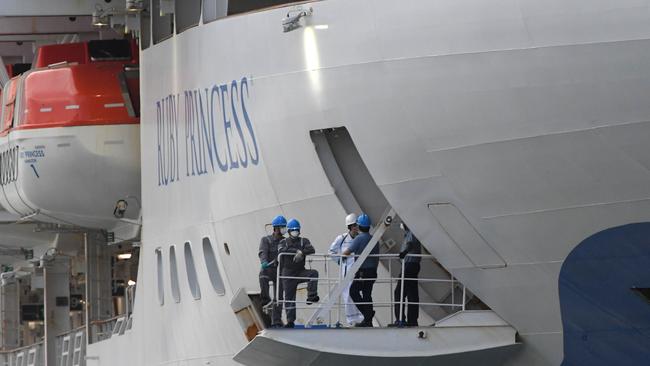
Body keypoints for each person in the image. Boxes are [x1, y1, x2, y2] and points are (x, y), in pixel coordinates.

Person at [278, 218, 319, 328]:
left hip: (300, 271)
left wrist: (302, 252)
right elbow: (281, 250)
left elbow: (311, 249)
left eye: (297, 229)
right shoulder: (283, 242)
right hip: (288, 274)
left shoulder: (303, 241)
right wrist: (296, 252)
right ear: (289, 231)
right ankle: (290, 321)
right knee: (289, 298)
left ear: (299, 230)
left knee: (313, 273)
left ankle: (311, 296)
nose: (295, 231)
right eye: (293, 230)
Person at [328, 213, 364, 326]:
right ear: (350, 226)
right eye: (354, 225)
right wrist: (339, 260)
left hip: (358, 272)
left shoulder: (360, 238)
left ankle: (361, 318)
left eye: (357, 225)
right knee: (347, 296)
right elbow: (331, 251)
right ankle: (352, 320)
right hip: (346, 272)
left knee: (359, 294)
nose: (356, 227)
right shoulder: (342, 238)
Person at [343, 214, 378, 327]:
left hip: (363, 272)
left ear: (359, 226)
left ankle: (368, 315)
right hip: (372, 271)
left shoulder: (359, 238)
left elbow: (347, 252)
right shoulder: (374, 239)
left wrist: (341, 256)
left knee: (353, 291)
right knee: (367, 294)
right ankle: (368, 320)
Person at [258, 215, 287, 327]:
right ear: (276, 228)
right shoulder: (266, 240)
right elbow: (262, 252)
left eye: (285, 227)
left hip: (279, 271)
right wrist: (264, 261)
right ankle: (265, 299)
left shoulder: (285, 241)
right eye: (282, 227)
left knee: (278, 297)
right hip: (269, 268)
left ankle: (276, 321)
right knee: (262, 275)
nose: (284, 229)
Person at [394, 223, 422, 326]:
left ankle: (400, 319)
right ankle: (412, 320)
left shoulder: (411, 232)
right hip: (412, 265)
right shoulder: (407, 233)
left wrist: (404, 252)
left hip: (409, 265)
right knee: (412, 293)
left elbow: (411, 244)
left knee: (399, 292)